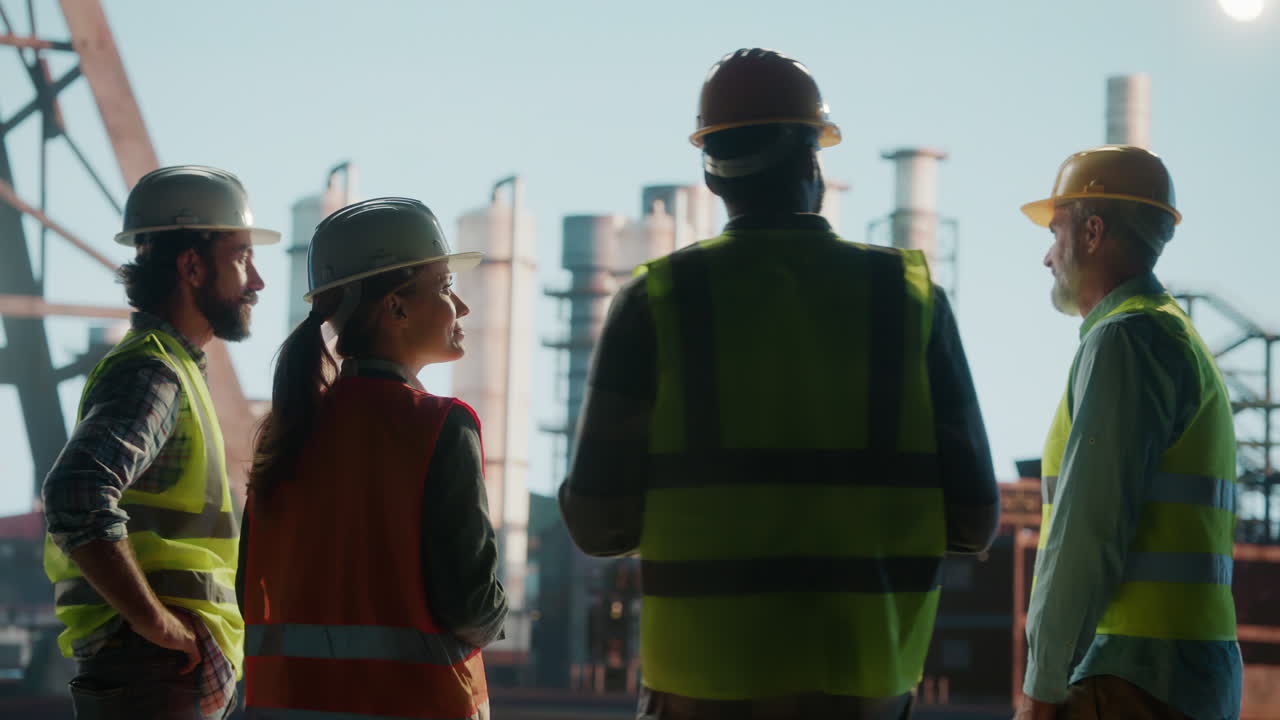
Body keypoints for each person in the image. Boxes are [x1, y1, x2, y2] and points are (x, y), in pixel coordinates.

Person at [560, 48, 999, 720]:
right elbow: (974, 524)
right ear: (811, 162)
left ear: (711, 178)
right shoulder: (910, 302)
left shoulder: (655, 303)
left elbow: (598, 525)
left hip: (701, 685)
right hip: (866, 683)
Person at [238, 198, 507, 720]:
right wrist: (502, 610)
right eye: (445, 287)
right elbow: (471, 609)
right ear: (396, 308)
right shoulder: (437, 426)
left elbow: (251, 592)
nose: (463, 308)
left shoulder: (287, 430)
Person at [42, 165, 277, 719]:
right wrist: (159, 625)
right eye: (242, 256)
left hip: (159, 667)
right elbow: (77, 493)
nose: (258, 281)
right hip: (152, 667)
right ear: (192, 266)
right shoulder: (154, 372)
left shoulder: (176, 369)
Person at [1016, 145, 1241, 720]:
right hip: (1184, 677)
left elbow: (1086, 531)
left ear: (1092, 232)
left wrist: (1040, 691)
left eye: (1056, 230)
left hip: (1128, 680)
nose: (1047, 256)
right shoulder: (1174, 336)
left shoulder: (1125, 339)